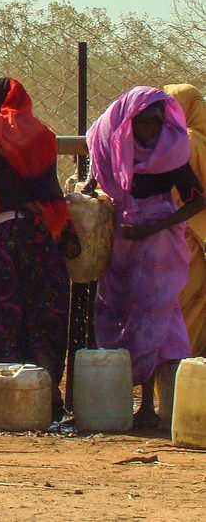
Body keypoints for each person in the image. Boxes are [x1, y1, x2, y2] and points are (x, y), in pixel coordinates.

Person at [87, 86, 206, 427]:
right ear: (129, 122)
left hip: (158, 246)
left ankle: (153, 409)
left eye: (157, 122)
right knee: (120, 312)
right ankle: (123, 404)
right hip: (123, 242)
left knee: (153, 316)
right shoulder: (115, 150)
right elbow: (97, 182)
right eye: (145, 123)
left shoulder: (171, 153)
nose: (151, 131)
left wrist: (154, 227)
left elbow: (198, 200)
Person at [0, 77, 69, 413]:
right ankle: (48, 396)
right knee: (41, 313)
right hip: (42, 236)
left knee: (8, 312)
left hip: (6, 232)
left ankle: (10, 403)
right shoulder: (42, 133)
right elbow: (47, 188)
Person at [164, 84, 206, 357]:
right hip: (196, 234)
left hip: (180, 234)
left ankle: (178, 379)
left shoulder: (184, 141)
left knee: (180, 310)